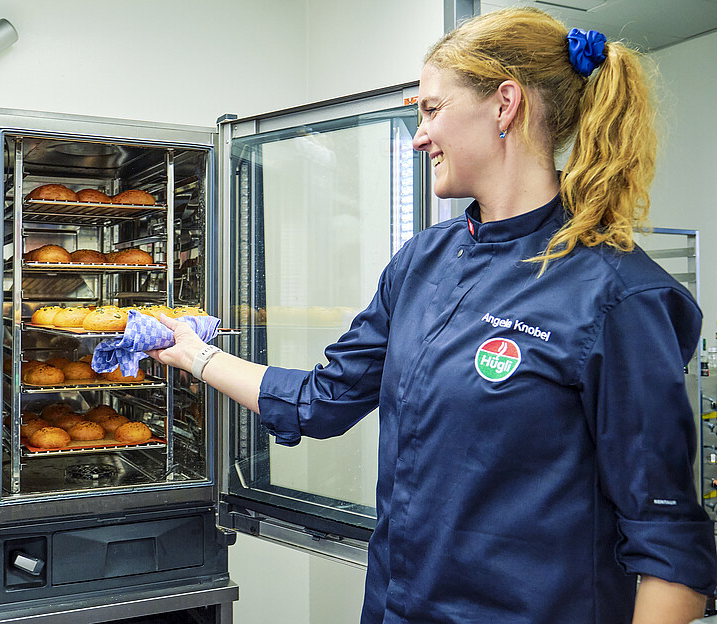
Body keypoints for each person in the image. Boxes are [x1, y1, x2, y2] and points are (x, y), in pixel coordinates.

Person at [149, 7, 717, 624]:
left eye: (431, 109)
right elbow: (323, 399)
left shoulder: (616, 295)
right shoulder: (422, 262)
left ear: (506, 105)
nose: (419, 136)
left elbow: (671, 557)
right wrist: (193, 353)